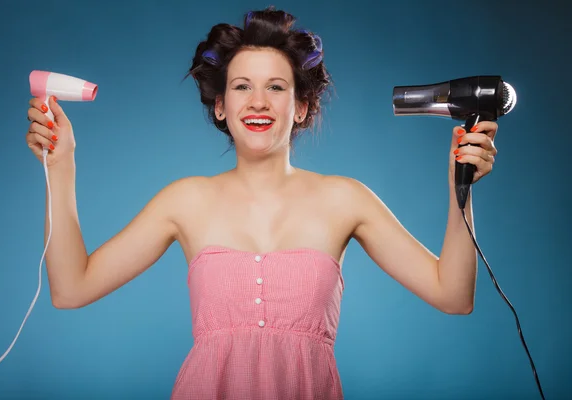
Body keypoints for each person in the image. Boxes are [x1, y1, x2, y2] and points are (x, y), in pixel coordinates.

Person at [24, 7, 499, 400]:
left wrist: (463, 186)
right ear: (220, 104)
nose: (257, 102)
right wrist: (60, 166)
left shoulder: (345, 199)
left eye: (276, 87)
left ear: (303, 106)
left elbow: (452, 296)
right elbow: (71, 288)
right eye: (241, 86)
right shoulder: (185, 200)